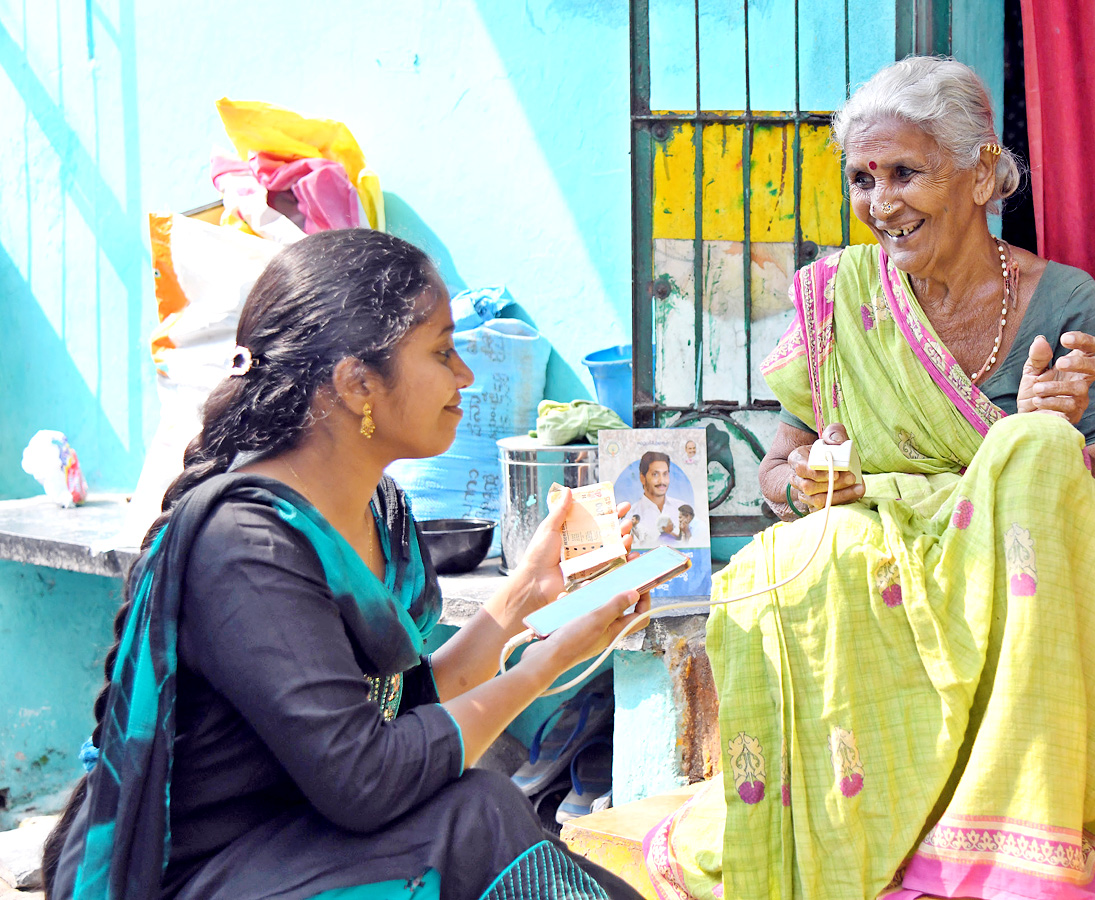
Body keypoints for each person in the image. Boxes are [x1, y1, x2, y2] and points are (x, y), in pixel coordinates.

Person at [645, 57, 1095, 900]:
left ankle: (1004, 832)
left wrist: (1061, 444)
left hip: (1018, 580)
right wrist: (804, 485)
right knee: (778, 566)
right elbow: (778, 469)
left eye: (906, 174)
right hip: (886, 561)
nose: (881, 204)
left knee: (1030, 454)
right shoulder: (837, 299)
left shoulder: (1061, 299)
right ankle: (841, 825)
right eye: (862, 178)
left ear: (982, 172)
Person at [42, 229, 647, 900]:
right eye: (443, 351)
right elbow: (367, 777)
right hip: (206, 874)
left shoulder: (378, 513)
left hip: (309, 845)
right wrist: (547, 664)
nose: (465, 376)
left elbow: (405, 710)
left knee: (520, 840)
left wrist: (523, 598)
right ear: (358, 382)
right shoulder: (247, 547)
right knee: (478, 818)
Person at [627, 451, 683, 546]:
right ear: (642, 478)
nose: (662, 481)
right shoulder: (631, 515)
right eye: (655, 474)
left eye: (665, 474)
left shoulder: (682, 509)